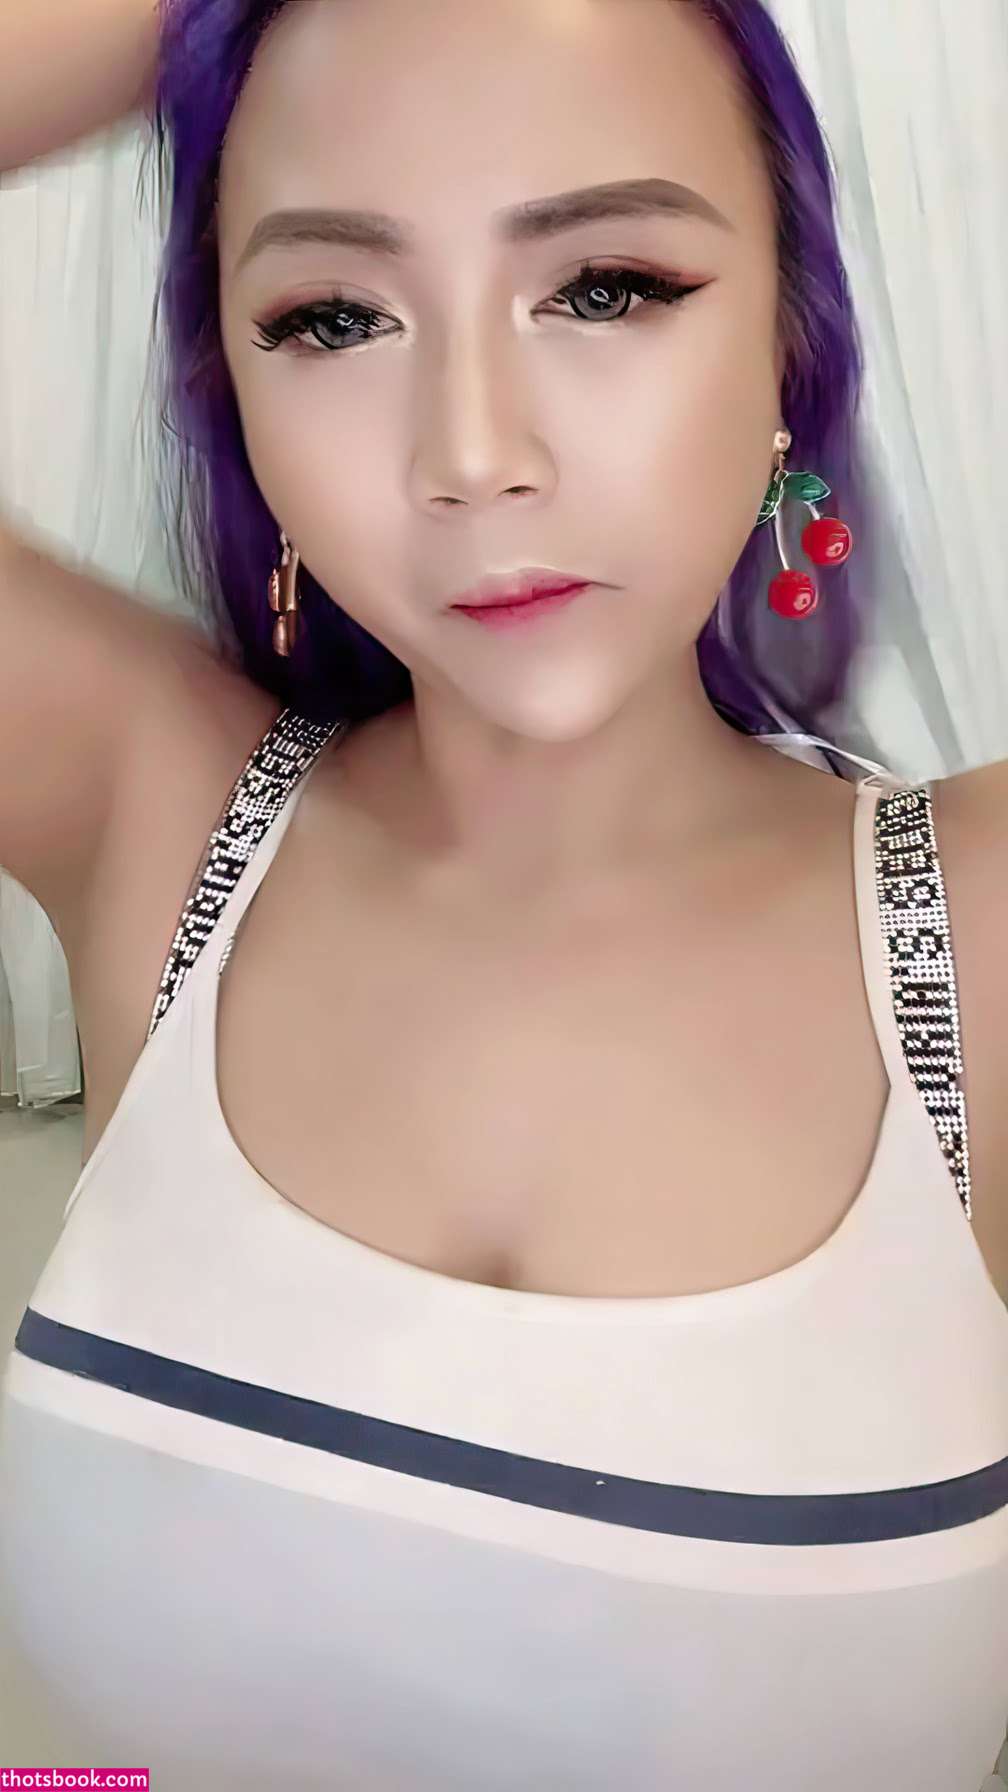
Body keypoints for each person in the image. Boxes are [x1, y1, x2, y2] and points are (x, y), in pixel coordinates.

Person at [0, 1, 1005, 1786]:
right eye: (332, 317)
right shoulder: (155, 815)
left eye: (605, 287)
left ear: (789, 337)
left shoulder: (975, 936)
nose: (473, 452)